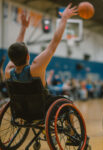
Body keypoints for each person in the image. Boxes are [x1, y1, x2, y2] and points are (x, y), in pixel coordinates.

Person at [5, 4, 78, 145]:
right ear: (28, 56)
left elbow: (16, 50)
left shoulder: (9, 72)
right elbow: (55, 41)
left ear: (12, 59)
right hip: (43, 110)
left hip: (22, 112)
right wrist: (64, 19)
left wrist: (23, 29)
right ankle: (71, 134)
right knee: (68, 101)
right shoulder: (36, 67)